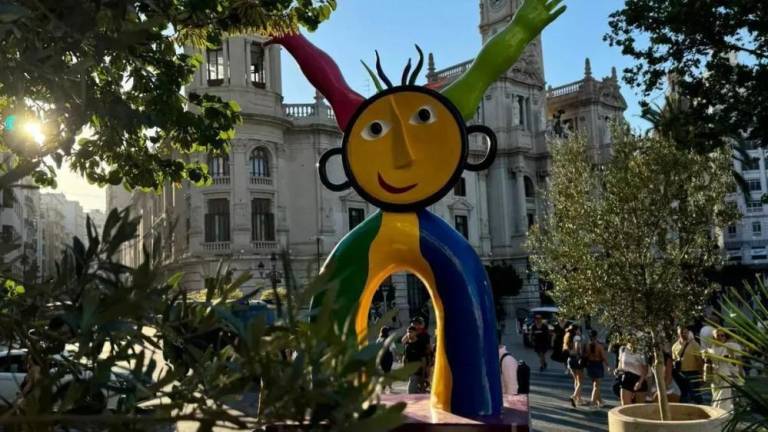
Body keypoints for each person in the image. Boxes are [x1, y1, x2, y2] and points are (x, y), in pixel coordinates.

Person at [705, 329, 742, 411]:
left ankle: (722, 415)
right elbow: (707, 362)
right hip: (714, 376)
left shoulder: (728, 347)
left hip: (725, 374)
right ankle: (716, 413)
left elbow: (734, 363)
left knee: (724, 397)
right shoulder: (710, 349)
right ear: (714, 337)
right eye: (718, 335)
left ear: (725, 337)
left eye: (722, 335)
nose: (720, 337)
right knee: (715, 396)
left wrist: (730, 357)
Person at [672, 326, 704, 404]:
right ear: (678, 333)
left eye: (685, 332)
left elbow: (700, 360)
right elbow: (674, 360)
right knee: (683, 395)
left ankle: (702, 409)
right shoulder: (675, 346)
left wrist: (702, 374)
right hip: (680, 373)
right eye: (681, 332)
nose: (683, 334)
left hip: (693, 372)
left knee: (695, 394)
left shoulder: (694, 344)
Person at [585, 330, 610, 407]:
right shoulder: (599, 346)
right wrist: (608, 366)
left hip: (590, 365)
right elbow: (603, 357)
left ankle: (600, 401)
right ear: (596, 336)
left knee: (594, 384)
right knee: (597, 386)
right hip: (597, 365)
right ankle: (593, 402)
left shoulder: (587, 345)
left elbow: (585, 355)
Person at [403, 325, 429, 393]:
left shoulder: (420, 343)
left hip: (418, 372)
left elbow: (424, 359)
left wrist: (423, 373)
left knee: (411, 392)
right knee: (416, 392)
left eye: (411, 332)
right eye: (407, 332)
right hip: (410, 372)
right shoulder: (407, 344)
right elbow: (405, 358)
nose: (409, 334)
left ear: (415, 333)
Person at [563, 325, 585, 407]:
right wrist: (580, 353)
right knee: (581, 381)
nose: (579, 331)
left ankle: (579, 399)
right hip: (576, 359)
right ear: (576, 330)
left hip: (570, 360)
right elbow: (576, 349)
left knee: (576, 379)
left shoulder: (567, 336)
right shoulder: (577, 338)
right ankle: (574, 396)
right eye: (579, 329)